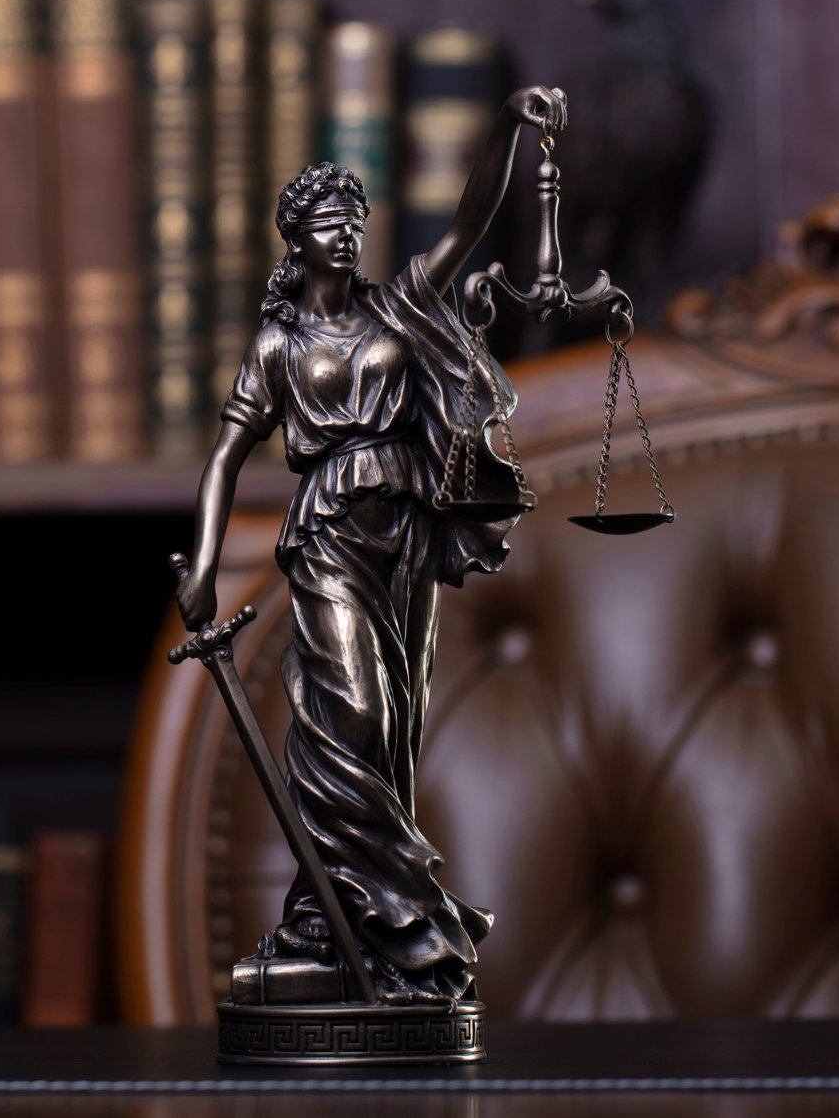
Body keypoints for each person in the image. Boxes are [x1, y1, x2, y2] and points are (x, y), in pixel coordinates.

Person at [175, 85, 567, 1005]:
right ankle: (413, 923)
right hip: (327, 540)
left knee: (391, 735)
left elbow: (471, 221)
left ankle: (340, 921)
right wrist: (200, 560)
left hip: (407, 540)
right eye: (325, 221)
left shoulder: (398, 308)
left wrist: (509, 125)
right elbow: (228, 452)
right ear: (294, 237)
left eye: (354, 219)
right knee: (342, 713)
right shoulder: (276, 343)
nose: (345, 233)